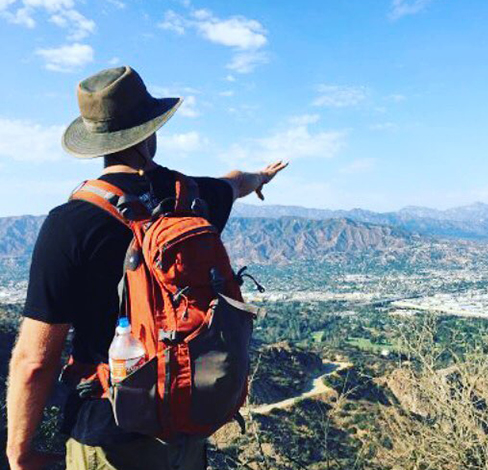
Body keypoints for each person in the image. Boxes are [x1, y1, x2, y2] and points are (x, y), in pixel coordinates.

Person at [5, 65, 287, 470]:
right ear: (150, 130)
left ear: (95, 140)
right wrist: (260, 176)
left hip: (108, 432)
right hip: (185, 423)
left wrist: (19, 451)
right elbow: (234, 182)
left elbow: (34, 361)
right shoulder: (193, 199)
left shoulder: (69, 225)